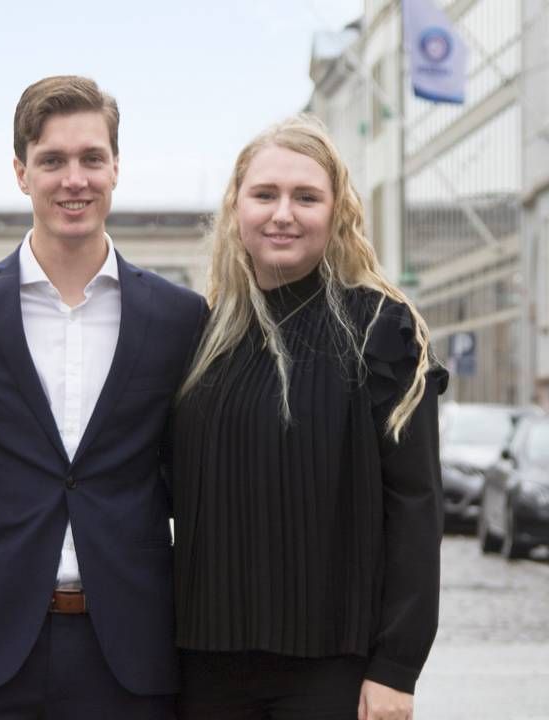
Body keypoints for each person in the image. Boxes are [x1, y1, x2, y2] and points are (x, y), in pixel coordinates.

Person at [0, 75, 208, 719]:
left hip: (129, 654)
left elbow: (189, 479)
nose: (73, 179)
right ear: (21, 173)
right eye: (52, 160)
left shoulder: (179, 317)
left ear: (115, 168)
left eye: (91, 159)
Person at [172, 116, 447, 720]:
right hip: (203, 669)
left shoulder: (384, 331)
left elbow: (415, 507)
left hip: (333, 673)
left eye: (306, 197)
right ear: (236, 208)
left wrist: (396, 669)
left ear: (337, 212)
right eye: (265, 195)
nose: (282, 214)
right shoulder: (199, 337)